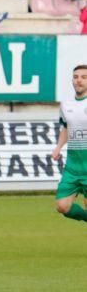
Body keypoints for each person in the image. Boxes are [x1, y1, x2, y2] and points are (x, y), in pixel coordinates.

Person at [52, 65, 87, 224]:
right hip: (73, 166)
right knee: (62, 206)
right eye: (76, 77)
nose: (79, 80)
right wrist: (58, 147)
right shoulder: (66, 104)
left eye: (83, 77)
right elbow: (66, 127)